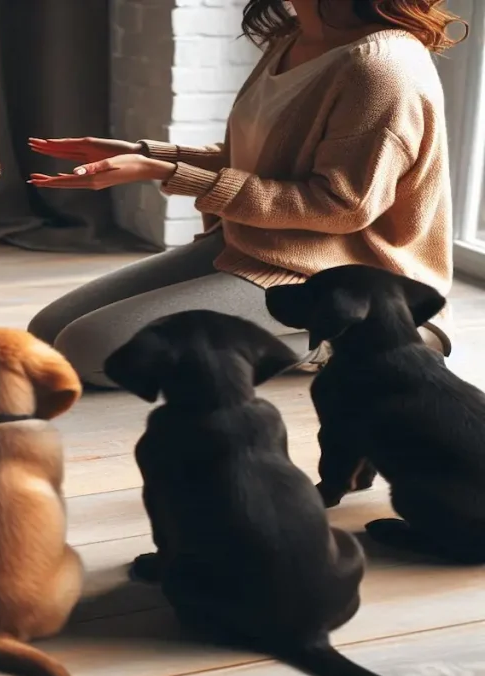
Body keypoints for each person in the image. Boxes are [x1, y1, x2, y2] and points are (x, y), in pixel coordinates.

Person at [26, 0, 466, 388]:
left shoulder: (382, 68)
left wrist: (166, 173)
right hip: (253, 243)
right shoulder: (293, 37)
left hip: (337, 277)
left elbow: (341, 206)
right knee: (47, 331)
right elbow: (252, 160)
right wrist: (143, 155)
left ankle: (364, 336)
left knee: (87, 350)